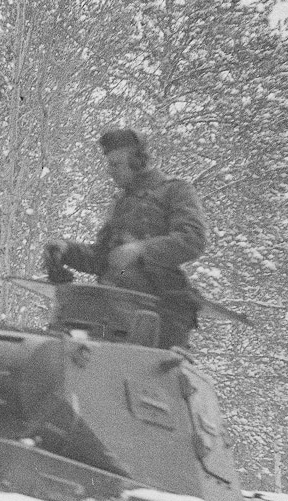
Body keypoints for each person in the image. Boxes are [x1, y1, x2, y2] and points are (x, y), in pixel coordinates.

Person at [42, 128, 209, 349]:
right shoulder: (120, 203)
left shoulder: (175, 191)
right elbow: (104, 260)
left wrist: (140, 249)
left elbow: (193, 239)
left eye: (116, 164)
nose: (110, 172)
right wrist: (67, 251)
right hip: (113, 316)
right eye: (109, 164)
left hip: (160, 316)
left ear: (138, 162)